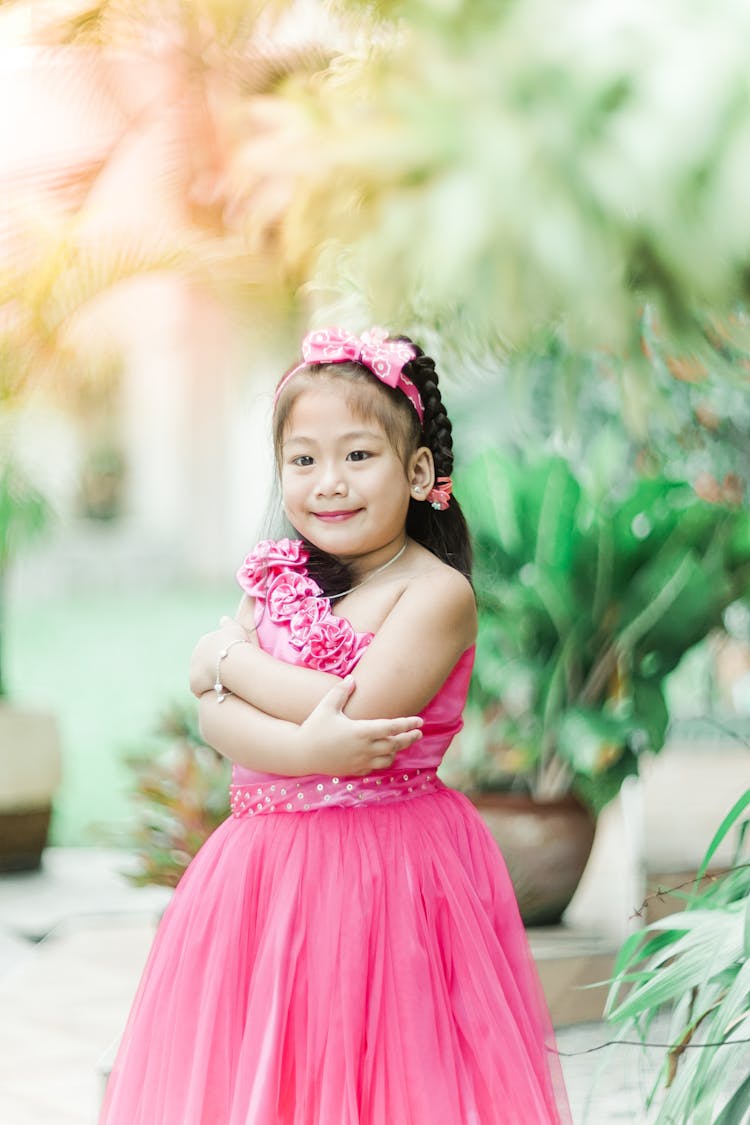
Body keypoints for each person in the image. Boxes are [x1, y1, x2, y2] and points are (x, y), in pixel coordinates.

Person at [100, 326, 571, 1124]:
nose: (329, 483)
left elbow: (353, 705)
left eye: (358, 455)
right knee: (271, 1076)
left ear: (418, 470)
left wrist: (227, 658)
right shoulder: (279, 579)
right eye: (303, 460)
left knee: (388, 1075)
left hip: (389, 874)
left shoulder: (436, 594)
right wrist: (302, 746)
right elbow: (216, 721)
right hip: (258, 875)